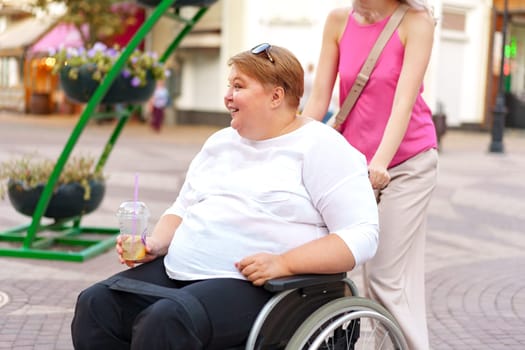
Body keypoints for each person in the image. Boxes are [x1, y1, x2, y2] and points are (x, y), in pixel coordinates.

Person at [70, 44, 379, 349]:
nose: (227, 95)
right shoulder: (221, 143)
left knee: (167, 320)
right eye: (229, 85)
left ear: (276, 95)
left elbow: (361, 235)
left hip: (266, 286)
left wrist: (285, 263)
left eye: (238, 86)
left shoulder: (321, 147)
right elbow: (184, 206)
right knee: (97, 304)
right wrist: (157, 243)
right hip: (181, 272)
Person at [301, 1, 438, 349]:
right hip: (353, 166)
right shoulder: (337, 21)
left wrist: (380, 162)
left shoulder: (416, 22)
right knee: (358, 270)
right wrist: (286, 146)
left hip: (407, 163)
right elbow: (319, 101)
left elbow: (403, 103)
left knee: (385, 277)